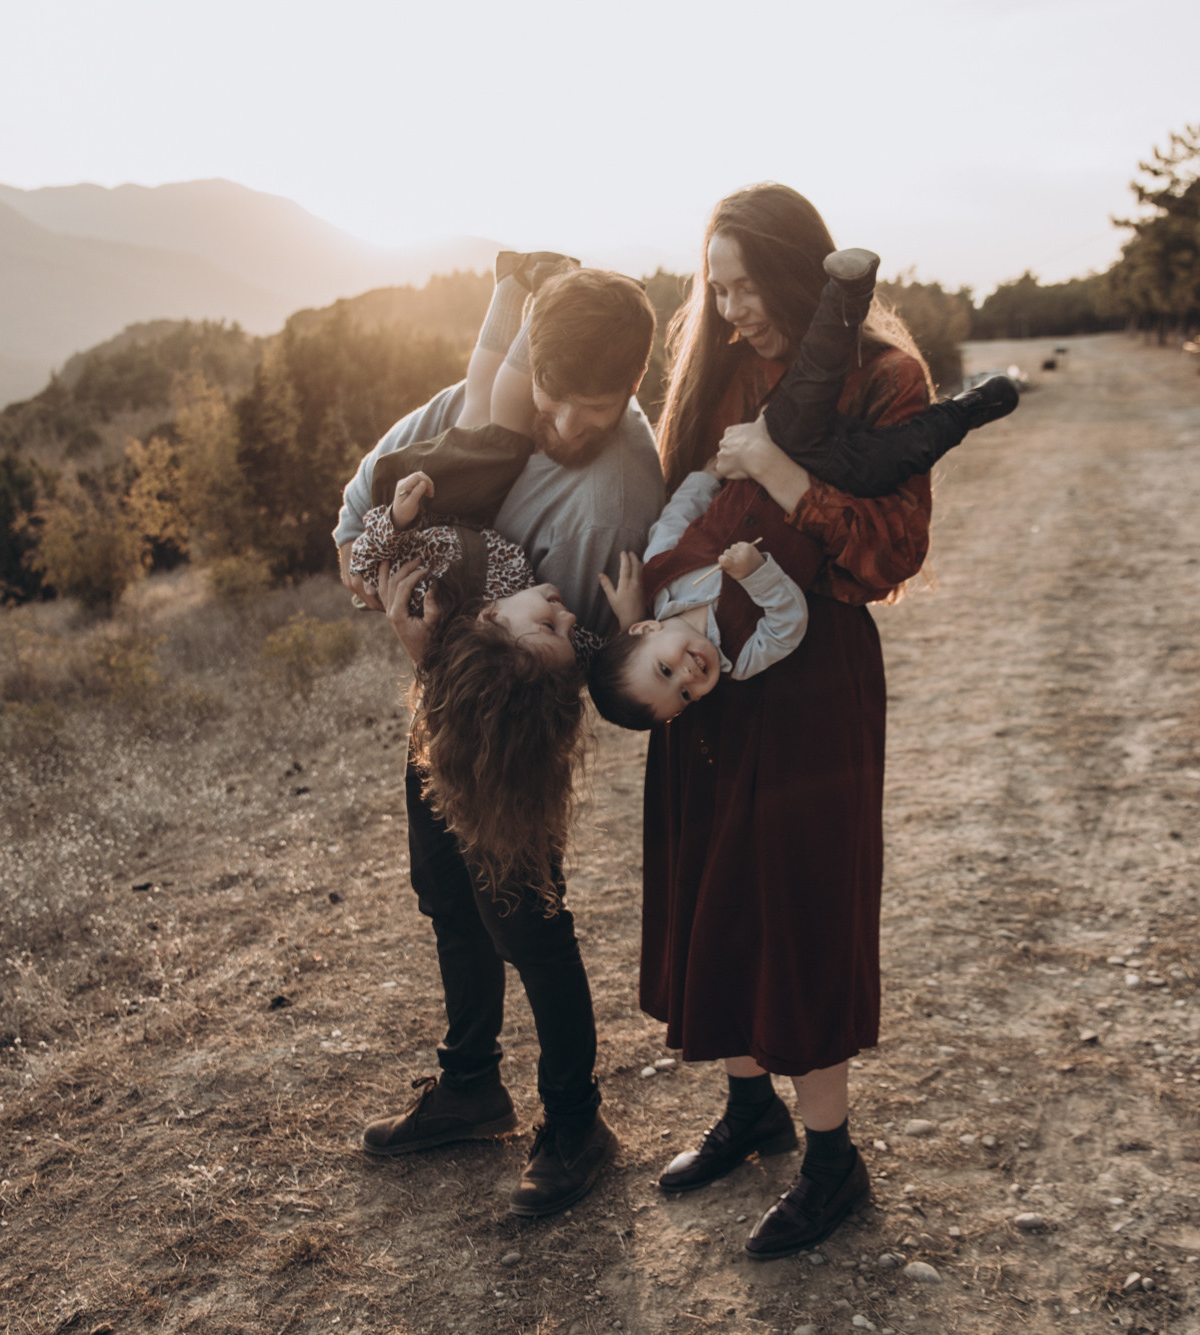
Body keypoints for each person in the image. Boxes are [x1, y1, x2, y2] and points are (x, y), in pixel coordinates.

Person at [638, 183, 947, 1259]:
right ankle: (749, 1109)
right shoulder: (718, 367)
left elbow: (892, 550)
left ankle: (831, 1160)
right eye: (714, 291)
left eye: (744, 288)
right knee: (713, 887)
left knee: (800, 902)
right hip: (704, 665)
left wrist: (780, 474)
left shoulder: (887, 377)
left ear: (793, 272)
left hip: (814, 675)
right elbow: (674, 504)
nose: (729, 314)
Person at [335, 265, 666, 1218]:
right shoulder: (510, 406)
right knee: (444, 891)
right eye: (547, 397)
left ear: (629, 387)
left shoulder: (610, 497)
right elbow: (366, 517)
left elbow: (570, 658)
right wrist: (391, 587)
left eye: (587, 411)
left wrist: (439, 642)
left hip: (515, 736)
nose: (556, 425)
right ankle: (471, 1085)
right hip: (445, 703)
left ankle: (576, 1122)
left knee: (529, 922)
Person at [589, 249, 1017, 728]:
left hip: (778, 448)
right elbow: (789, 623)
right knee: (888, 461)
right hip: (830, 483)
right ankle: (965, 411)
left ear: (646, 629)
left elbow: (676, 516)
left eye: (665, 670)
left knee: (807, 394)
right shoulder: (742, 658)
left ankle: (845, 296)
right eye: (685, 695)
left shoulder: (659, 578)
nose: (687, 676)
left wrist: (707, 475)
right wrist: (756, 575)